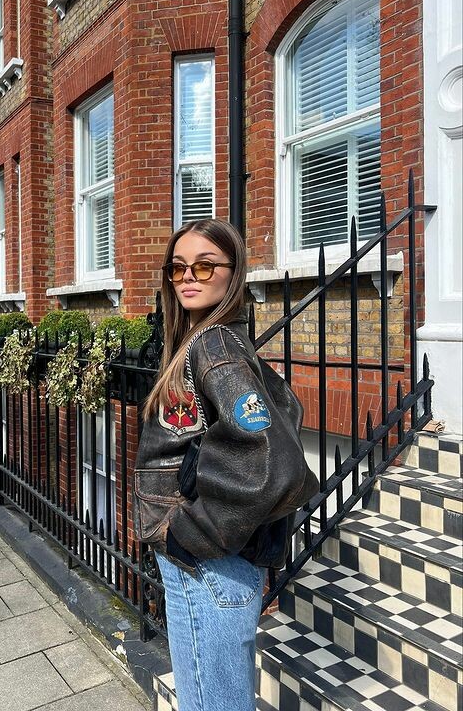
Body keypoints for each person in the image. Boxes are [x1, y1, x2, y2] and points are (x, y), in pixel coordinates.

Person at [133, 218, 318, 711]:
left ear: (233, 273)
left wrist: (188, 534)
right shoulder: (208, 340)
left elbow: (270, 462)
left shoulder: (214, 344)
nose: (187, 277)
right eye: (178, 268)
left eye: (204, 265)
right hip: (212, 565)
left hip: (207, 566)